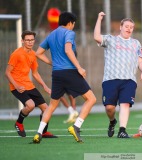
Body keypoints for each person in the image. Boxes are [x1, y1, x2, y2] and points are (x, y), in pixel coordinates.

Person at [32, 12, 96, 143]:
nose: (73, 27)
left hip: (57, 74)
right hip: (70, 72)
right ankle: (76, 127)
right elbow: (68, 50)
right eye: (73, 24)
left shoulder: (51, 34)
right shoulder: (69, 33)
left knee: (52, 105)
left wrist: (51, 63)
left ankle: (38, 132)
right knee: (91, 99)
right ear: (71, 23)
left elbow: (38, 53)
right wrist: (79, 67)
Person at [94, 12, 142, 138]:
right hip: (110, 79)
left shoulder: (136, 43)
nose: (129, 29)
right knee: (109, 108)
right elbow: (96, 37)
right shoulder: (111, 40)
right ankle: (112, 121)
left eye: (131, 27)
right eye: (126, 26)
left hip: (129, 80)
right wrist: (99, 19)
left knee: (125, 104)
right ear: (121, 27)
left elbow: (140, 60)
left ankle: (122, 130)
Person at [5, 30, 56, 138]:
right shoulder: (16, 54)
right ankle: (19, 122)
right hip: (17, 87)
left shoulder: (33, 54)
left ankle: (43, 131)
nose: (30, 42)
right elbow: (7, 72)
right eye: (27, 40)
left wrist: (45, 86)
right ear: (22, 41)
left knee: (46, 109)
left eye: (32, 40)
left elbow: (35, 73)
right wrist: (16, 86)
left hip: (29, 86)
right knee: (30, 105)